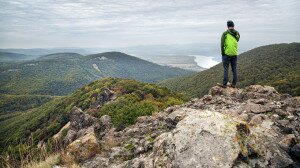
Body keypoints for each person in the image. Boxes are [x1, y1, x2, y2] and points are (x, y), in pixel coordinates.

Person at [220, 20, 240, 88]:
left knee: (226, 69)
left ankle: (224, 84)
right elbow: (237, 40)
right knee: (234, 69)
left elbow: (222, 44)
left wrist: (223, 53)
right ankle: (234, 84)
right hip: (234, 54)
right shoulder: (237, 33)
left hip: (226, 54)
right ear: (233, 26)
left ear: (227, 26)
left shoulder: (225, 33)